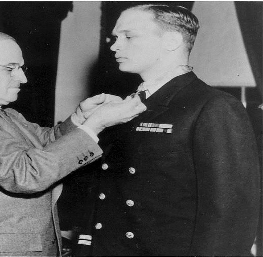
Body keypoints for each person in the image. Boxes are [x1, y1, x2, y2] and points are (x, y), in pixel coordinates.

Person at [0, 30, 146, 256]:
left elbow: (47, 142)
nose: (23, 78)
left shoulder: (0, 113)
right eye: (10, 68)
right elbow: (25, 174)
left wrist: (81, 118)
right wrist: (95, 125)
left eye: (21, 68)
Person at [77, 4, 261, 256]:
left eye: (128, 36)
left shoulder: (213, 107)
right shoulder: (126, 105)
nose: (114, 46)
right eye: (114, 37)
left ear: (172, 41)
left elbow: (231, 215)